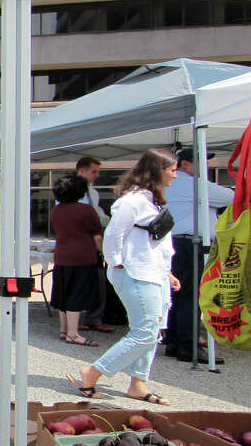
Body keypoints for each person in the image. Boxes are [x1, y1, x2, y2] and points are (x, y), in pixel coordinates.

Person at [67, 149, 180, 404]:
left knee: (154, 329)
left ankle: (138, 383)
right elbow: (114, 234)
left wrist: (167, 271)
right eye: (172, 169)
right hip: (137, 273)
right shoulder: (133, 201)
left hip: (155, 273)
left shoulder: (153, 201)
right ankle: (93, 372)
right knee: (145, 331)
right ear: (158, 170)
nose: (175, 174)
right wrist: (117, 263)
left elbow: (157, 242)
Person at [164, 147, 234, 363]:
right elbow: (229, 196)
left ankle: (175, 342)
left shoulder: (176, 184)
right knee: (190, 297)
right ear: (185, 164)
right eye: (201, 162)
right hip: (188, 243)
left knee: (178, 295)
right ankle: (189, 346)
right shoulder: (191, 183)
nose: (205, 167)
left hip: (175, 242)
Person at [49, 175, 102, 345]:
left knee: (63, 292)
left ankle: (64, 330)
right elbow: (97, 237)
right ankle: (73, 333)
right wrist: (105, 253)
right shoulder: (86, 210)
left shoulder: (55, 211)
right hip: (83, 256)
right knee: (77, 294)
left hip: (62, 255)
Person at [73, 156, 114, 334]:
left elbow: (97, 215)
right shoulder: (70, 190)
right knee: (79, 280)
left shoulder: (93, 193)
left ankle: (94, 316)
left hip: (93, 239)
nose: (97, 175)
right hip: (79, 240)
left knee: (96, 279)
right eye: (94, 171)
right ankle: (79, 317)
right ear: (82, 171)